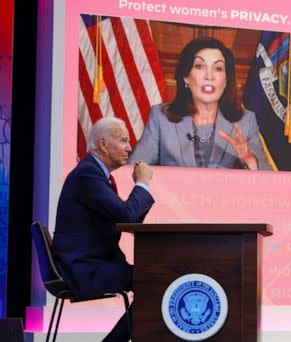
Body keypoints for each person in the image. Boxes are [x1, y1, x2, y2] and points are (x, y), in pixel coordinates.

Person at [52, 117, 155, 341]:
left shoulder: (95, 174)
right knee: (153, 280)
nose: (130, 147)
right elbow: (128, 215)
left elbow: (129, 220)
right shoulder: (87, 175)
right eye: (123, 141)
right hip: (83, 270)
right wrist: (143, 183)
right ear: (104, 144)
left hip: (93, 264)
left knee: (153, 278)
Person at [128, 38, 271, 170]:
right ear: (186, 77)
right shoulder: (161, 118)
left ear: (226, 80)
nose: (209, 76)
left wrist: (250, 161)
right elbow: (132, 170)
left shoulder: (246, 121)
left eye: (218, 68)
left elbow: (270, 183)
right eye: (199, 66)